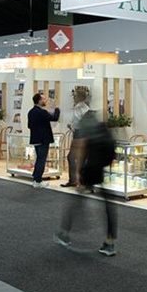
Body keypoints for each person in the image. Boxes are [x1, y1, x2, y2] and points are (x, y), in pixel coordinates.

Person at [55, 111, 118, 256]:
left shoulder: (84, 124)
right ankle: (110, 242)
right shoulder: (100, 125)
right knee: (107, 202)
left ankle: (64, 233)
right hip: (101, 165)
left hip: (91, 166)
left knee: (77, 200)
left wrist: (78, 172)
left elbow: (82, 148)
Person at [27, 93, 60, 188]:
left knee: (39, 159)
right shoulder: (42, 112)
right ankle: (38, 180)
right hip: (43, 139)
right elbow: (54, 118)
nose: (45, 101)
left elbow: (29, 126)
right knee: (42, 160)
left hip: (35, 139)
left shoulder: (31, 112)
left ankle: (36, 178)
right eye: (44, 99)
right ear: (39, 101)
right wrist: (57, 109)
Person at [62, 89, 90, 187]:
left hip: (79, 134)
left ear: (78, 97)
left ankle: (73, 180)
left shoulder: (78, 107)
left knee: (71, 157)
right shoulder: (87, 107)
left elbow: (78, 122)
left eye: (75, 96)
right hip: (86, 134)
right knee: (82, 158)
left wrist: (71, 126)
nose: (74, 98)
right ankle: (82, 181)